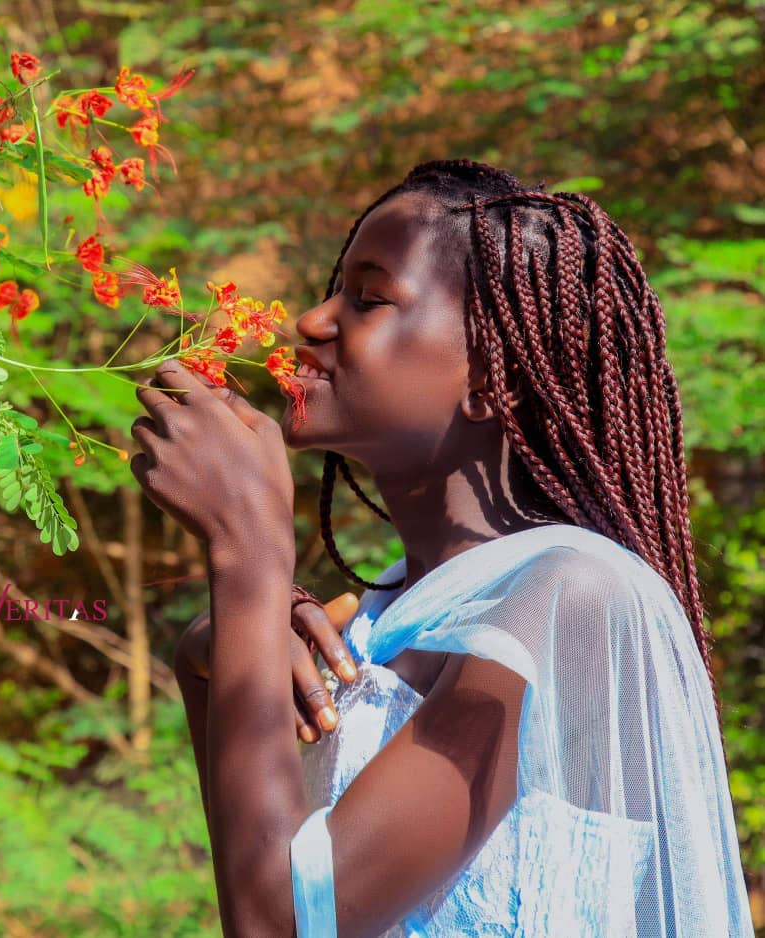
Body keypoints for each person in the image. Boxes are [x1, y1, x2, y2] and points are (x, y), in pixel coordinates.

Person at [147, 158, 755, 937]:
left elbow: (284, 922)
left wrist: (248, 548)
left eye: (368, 298)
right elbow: (259, 873)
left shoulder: (570, 592)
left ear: (491, 375)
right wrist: (219, 646)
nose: (311, 321)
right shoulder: (376, 615)